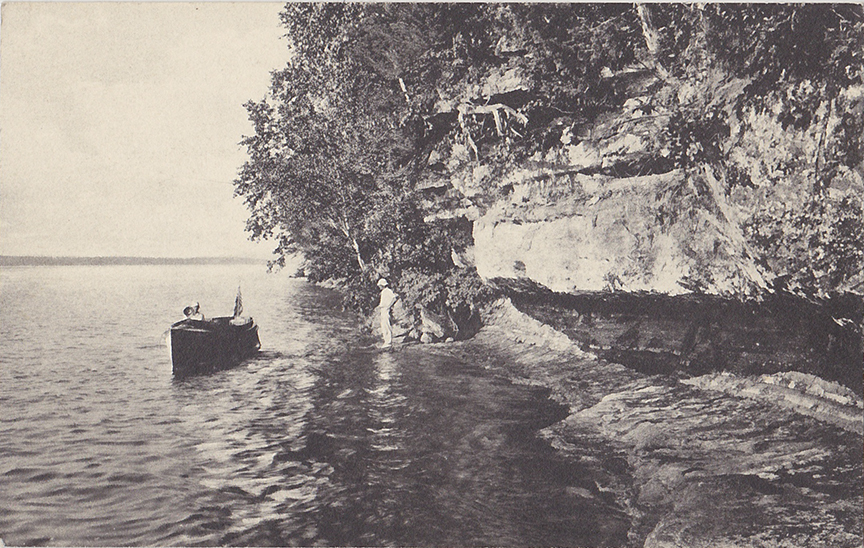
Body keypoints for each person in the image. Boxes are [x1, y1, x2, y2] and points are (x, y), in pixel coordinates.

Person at [376, 278, 397, 348]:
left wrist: (388, 306)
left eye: (380, 285)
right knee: (383, 325)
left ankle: (388, 342)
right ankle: (386, 341)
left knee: (386, 325)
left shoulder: (387, 291)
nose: (379, 287)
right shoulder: (384, 291)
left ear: (382, 285)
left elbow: (394, 298)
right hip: (383, 309)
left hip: (385, 309)